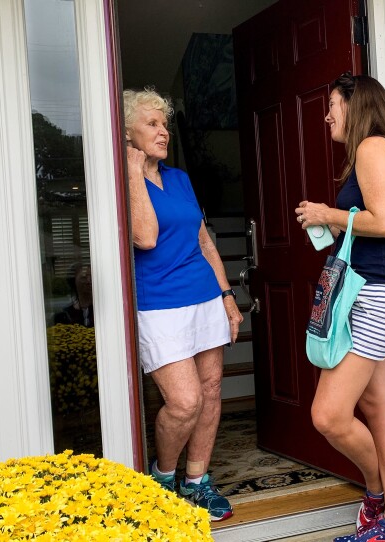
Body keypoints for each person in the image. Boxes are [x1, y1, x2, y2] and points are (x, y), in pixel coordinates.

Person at [295, 73, 385, 542]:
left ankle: (378, 495)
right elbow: (373, 224)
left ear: (358, 105)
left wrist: (329, 214)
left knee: (327, 415)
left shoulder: (373, 146)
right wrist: (334, 226)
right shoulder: (379, 149)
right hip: (376, 291)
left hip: (377, 295)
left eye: (333, 103)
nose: (328, 114)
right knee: (378, 408)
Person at [124, 87, 242, 521]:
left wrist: (228, 297)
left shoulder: (179, 179)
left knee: (211, 391)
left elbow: (203, 240)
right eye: (152, 124)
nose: (163, 132)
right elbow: (146, 237)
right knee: (185, 401)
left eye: (165, 124)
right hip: (159, 304)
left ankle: (198, 482)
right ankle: (162, 476)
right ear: (126, 133)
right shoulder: (122, 182)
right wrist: (133, 172)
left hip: (204, 296)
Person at [54, 261, 94, 327]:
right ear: (73, 282)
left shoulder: (104, 311)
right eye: (83, 277)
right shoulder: (65, 316)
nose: (88, 281)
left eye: (91, 277)